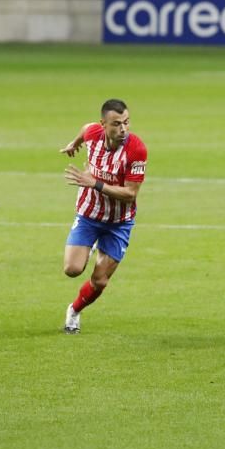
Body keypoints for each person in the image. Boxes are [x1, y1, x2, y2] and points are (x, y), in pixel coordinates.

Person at [59, 99, 147, 334]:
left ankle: (74, 311)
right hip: (89, 215)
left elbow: (130, 194)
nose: (123, 129)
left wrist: (95, 183)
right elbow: (85, 129)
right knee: (72, 269)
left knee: (100, 281)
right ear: (104, 125)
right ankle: (90, 246)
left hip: (118, 222)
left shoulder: (136, 150)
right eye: (117, 124)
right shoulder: (93, 133)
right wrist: (73, 144)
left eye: (126, 123)